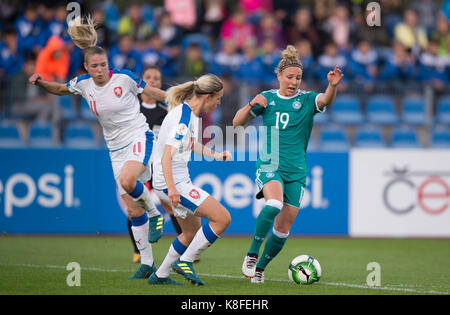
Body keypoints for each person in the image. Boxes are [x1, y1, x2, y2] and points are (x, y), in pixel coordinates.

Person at [28, 16, 166, 280]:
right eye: (95, 66)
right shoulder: (83, 84)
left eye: (103, 64)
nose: (100, 69)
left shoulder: (124, 78)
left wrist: (179, 99)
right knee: (132, 209)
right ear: (86, 67)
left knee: (128, 181)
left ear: (108, 64)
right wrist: (41, 82)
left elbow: (154, 92)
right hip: (115, 148)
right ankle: (147, 263)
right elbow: (59, 88)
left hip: (139, 136)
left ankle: (156, 213)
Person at [232, 45, 343, 283]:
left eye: (298, 78)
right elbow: (237, 123)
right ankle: (252, 253)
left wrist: (332, 86)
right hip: (270, 162)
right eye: (290, 77)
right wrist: (252, 103)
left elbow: (325, 99)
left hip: (297, 169)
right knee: (273, 202)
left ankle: (259, 269)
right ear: (279, 76)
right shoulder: (268, 99)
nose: (294, 82)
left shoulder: (307, 100)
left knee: (283, 230)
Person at [148, 74, 232, 285]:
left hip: (174, 181)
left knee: (191, 232)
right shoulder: (183, 119)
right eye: (218, 98)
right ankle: (185, 261)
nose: (218, 103)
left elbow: (189, 144)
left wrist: (216, 155)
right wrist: (172, 190)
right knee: (222, 218)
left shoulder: (190, 114)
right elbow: (167, 156)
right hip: (173, 183)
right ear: (209, 96)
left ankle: (160, 275)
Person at [127, 65, 182, 264]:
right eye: (148, 77)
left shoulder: (166, 111)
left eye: (157, 78)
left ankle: (184, 245)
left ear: (160, 83)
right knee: (134, 206)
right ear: (142, 81)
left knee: (170, 205)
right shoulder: (132, 107)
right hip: (136, 163)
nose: (152, 80)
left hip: (157, 166)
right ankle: (138, 251)